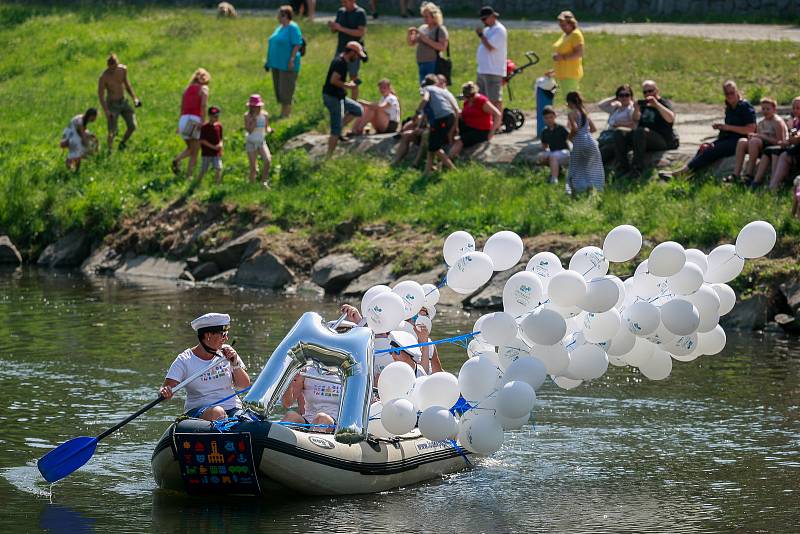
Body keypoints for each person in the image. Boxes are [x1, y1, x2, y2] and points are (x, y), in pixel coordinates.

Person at [159, 313, 250, 421]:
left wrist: (234, 364)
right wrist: (165, 392)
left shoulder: (228, 352)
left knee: (251, 418)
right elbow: (165, 392)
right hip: (200, 412)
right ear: (208, 335)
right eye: (223, 334)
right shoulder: (184, 360)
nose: (226, 338)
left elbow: (244, 385)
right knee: (218, 412)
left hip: (233, 409)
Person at [661, 81, 755, 181]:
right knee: (704, 148)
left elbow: (751, 129)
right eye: (727, 94)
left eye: (732, 93)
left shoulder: (745, 106)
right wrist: (722, 128)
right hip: (728, 138)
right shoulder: (729, 107)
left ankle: (680, 173)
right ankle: (690, 174)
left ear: (737, 91)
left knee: (711, 151)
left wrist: (727, 127)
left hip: (740, 141)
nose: (730, 96)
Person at [613, 80, 678, 176]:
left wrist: (656, 105)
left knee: (640, 131)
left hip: (662, 139)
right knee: (620, 132)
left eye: (650, 91)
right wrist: (636, 109)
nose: (648, 94)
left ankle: (637, 168)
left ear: (657, 90)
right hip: (643, 137)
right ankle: (622, 167)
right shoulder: (644, 105)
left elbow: (670, 118)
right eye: (645, 92)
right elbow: (636, 119)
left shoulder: (663, 103)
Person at [730, 97, 787, 186]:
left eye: (768, 109)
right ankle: (735, 174)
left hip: (771, 147)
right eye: (763, 109)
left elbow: (780, 141)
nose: (765, 111)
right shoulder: (761, 123)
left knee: (754, 141)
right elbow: (758, 136)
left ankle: (749, 174)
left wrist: (761, 136)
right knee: (742, 141)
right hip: (759, 146)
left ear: (774, 109)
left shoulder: (777, 122)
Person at [323, 41, 366, 157]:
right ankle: (328, 156)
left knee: (358, 110)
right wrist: (348, 86)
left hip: (338, 96)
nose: (357, 58)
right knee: (335, 131)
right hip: (333, 97)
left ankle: (339, 127)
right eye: (357, 55)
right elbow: (333, 80)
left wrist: (346, 85)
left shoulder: (342, 61)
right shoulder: (340, 63)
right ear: (351, 52)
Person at [265, 5, 303, 118]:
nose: (277, 17)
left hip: (287, 64)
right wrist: (268, 61)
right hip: (276, 63)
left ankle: (285, 115)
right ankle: (283, 112)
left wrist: (291, 59)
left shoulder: (293, 27)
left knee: (286, 89)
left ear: (285, 15)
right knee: (279, 88)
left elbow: (297, 44)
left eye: (279, 14)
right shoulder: (279, 28)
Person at [97, 53, 140, 151]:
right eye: (111, 68)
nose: (113, 70)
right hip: (112, 105)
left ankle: (122, 143)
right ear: (108, 66)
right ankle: (110, 150)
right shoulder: (104, 77)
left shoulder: (122, 70)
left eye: (115, 67)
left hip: (123, 102)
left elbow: (127, 85)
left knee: (132, 126)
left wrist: (135, 98)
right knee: (113, 131)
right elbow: (100, 95)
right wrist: (106, 110)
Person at [173, 68, 210, 179]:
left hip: (183, 120)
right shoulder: (203, 89)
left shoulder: (186, 90)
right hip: (194, 119)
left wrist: (179, 125)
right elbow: (203, 105)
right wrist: (203, 121)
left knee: (191, 148)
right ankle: (189, 175)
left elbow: (182, 107)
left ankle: (177, 159)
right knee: (195, 151)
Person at [448, 81, 501, 159]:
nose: (469, 98)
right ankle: (448, 142)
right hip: (469, 126)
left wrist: (491, 132)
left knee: (460, 141)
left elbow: (497, 114)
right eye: (467, 96)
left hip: (481, 130)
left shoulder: (482, 101)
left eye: (471, 96)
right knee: (450, 119)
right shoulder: (467, 101)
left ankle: (447, 161)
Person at [418, 73, 459, 173]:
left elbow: (425, 99)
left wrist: (417, 111)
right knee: (432, 144)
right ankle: (427, 171)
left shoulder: (427, 89)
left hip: (441, 119)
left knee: (435, 147)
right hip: (450, 117)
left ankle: (453, 169)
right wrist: (455, 126)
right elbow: (456, 109)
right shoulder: (443, 91)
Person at [475, 6, 507, 132]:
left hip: (493, 70)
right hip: (483, 69)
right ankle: (486, 122)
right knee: (482, 99)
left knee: (494, 99)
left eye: (485, 18)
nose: (483, 21)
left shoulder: (499, 30)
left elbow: (491, 47)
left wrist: (481, 35)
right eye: (482, 19)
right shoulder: (489, 29)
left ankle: (497, 123)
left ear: (493, 16)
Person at [566, 91, 604, 194]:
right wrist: (585, 132)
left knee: (576, 167)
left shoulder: (571, 113)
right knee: (593, 166)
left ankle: (577, 189)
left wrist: (569, 137)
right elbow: (594, 129)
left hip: (579, 142)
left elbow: (575, 128)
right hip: (590, 141)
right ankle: (596, 188)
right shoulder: (584, 112)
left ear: (569, 103)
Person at [328, 0, 367, 99]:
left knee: (353, 76)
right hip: (341, 49)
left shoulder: (360, 13)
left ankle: (354, 101)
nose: (343, 4)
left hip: (354, 52)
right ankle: (340, 99)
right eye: (342, 2)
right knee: (338, 76)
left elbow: (360, 32)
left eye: (346, 1)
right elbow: (335, 29)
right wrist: (333, 27)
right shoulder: (341, 11)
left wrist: (341, 28)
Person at [407, 2, 448, 84]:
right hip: (421, 62)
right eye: (423, 16)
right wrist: (410, 34)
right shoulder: (422, 28)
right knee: (423, 87)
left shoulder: (440, 29)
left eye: (427, 16)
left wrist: (426, 40)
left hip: (433, 62)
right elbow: (411, 44)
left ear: (434, 17)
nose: (424, 19)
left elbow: (442, 47)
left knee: (432, 86)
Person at [766, 96, 800, 191]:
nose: (795, 110)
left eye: (798, 108)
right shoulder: (796, 121)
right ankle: (771, 184)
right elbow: (793, 140)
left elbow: (796, 139)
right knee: (772, 152)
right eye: (794, 108)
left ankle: (774, 186)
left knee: (784, 155)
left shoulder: (795, 123)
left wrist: (791, 128)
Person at [549, 11, 584, 105]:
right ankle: (573, 118)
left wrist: (562, 57)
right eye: (560, 25)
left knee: (572, 101)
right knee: (569, 100)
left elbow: (579, 53)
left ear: (571, 23)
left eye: (564, 25)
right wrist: (554, 70)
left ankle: (577, 118)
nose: (562, 27)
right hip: (563, 73)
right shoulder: (566, 35)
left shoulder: (576, 35)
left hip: (570, 73)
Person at [597, 85, 635, 165]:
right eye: (621, 95)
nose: (624, 97)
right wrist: (615, 98)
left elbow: (634, 124)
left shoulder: (631, 108)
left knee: (600, 154)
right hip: (607, 136)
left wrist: (618, 125)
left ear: (631, 96)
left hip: (619, 137)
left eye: (627, 95)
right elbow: (601, 105)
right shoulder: (616, 107)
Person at [536, 106, 570, 184]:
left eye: (551, 117)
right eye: (546, 118)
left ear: (555, 116)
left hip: (565, 152)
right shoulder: (545, 131)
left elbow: (570, 140)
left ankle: (554, 179)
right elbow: (545, 146)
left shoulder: (561, 128)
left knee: (553, 156)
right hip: (554, 152)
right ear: (544, 119)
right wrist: (546, 153)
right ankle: (557, 170)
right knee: (540, 156)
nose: (549, 120)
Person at [244, 94, 273, 186]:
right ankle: (251, 184)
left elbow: (266, 127)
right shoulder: (247, 116)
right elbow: (249, 130)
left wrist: (270, 130)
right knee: (253, 167)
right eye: (253, 107)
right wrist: (254, 120)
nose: (255, 108)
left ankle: (263, 181)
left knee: (267, 160)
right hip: (251, 142)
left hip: (261, 141)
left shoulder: (265, 115)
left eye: (257, 107)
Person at [198, 106, 224, 184]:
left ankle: (217, 184)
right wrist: (213, 147)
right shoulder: (204, 127)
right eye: (214, 116)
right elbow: (202, 140)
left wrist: (220, 146)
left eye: (217, 116)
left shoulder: (219, 126)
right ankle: (197, 182)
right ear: (209, 116)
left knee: (218, 168)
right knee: (204, 170)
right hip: (207, 153)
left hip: (216, 153)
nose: (216, 118)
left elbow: (221, 139)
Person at [414, 306, 443, 375]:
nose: (422, 320)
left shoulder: (430, 344)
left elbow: (438, 372)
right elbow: (421, 375)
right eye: (419, 314)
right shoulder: (402, 341)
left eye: (425, 315)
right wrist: (424, 343)